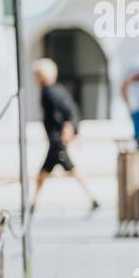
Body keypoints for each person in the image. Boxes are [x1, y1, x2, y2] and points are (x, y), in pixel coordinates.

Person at [30, 58, 100, 214]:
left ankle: (93, 198)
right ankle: (33, 203)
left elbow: (68, 111)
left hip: (57, 142)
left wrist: (69, 129)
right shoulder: (56, 89)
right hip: (55, 140)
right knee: (44, 174)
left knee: (69, 170)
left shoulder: (49, 92)